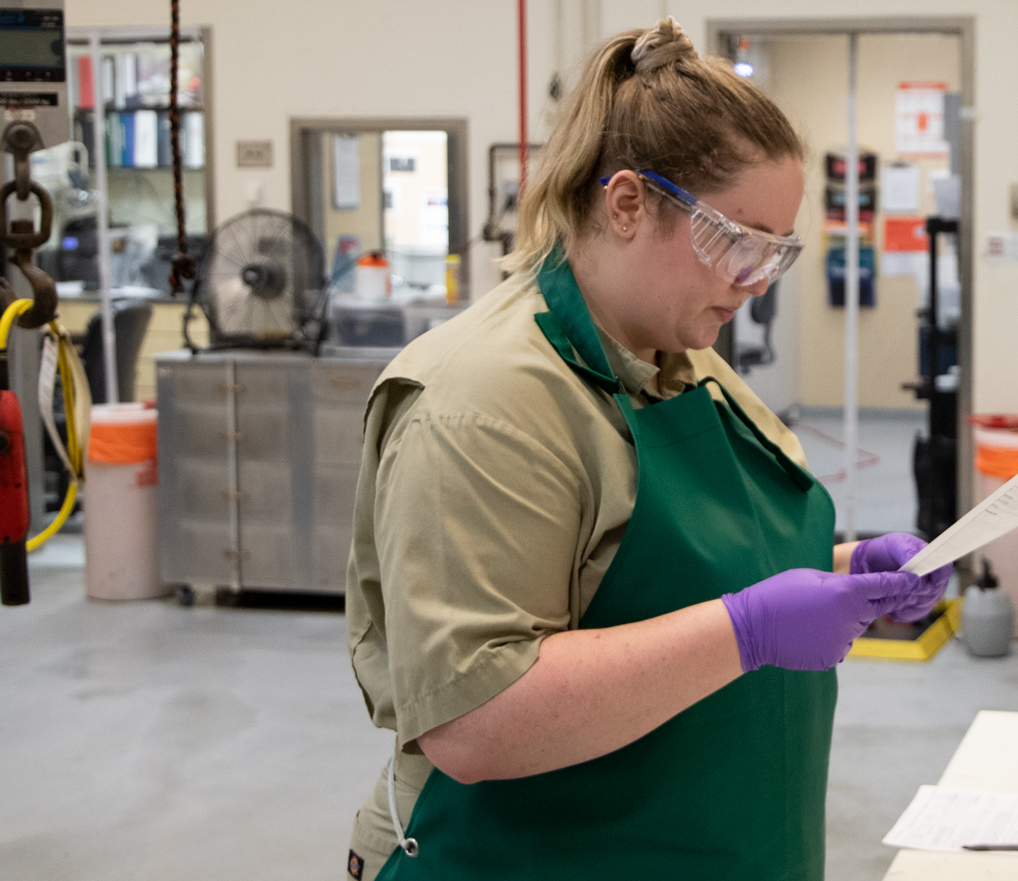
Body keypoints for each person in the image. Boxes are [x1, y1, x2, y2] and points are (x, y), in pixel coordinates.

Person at [342, 19, 948, 881]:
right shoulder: (481, 402)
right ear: (628, 203)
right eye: (737, 240)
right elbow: (473, 717)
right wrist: (752, 629)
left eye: (776, 251)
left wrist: (851, 572)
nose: (754, 279)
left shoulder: (682, 358)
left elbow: (660, 569)